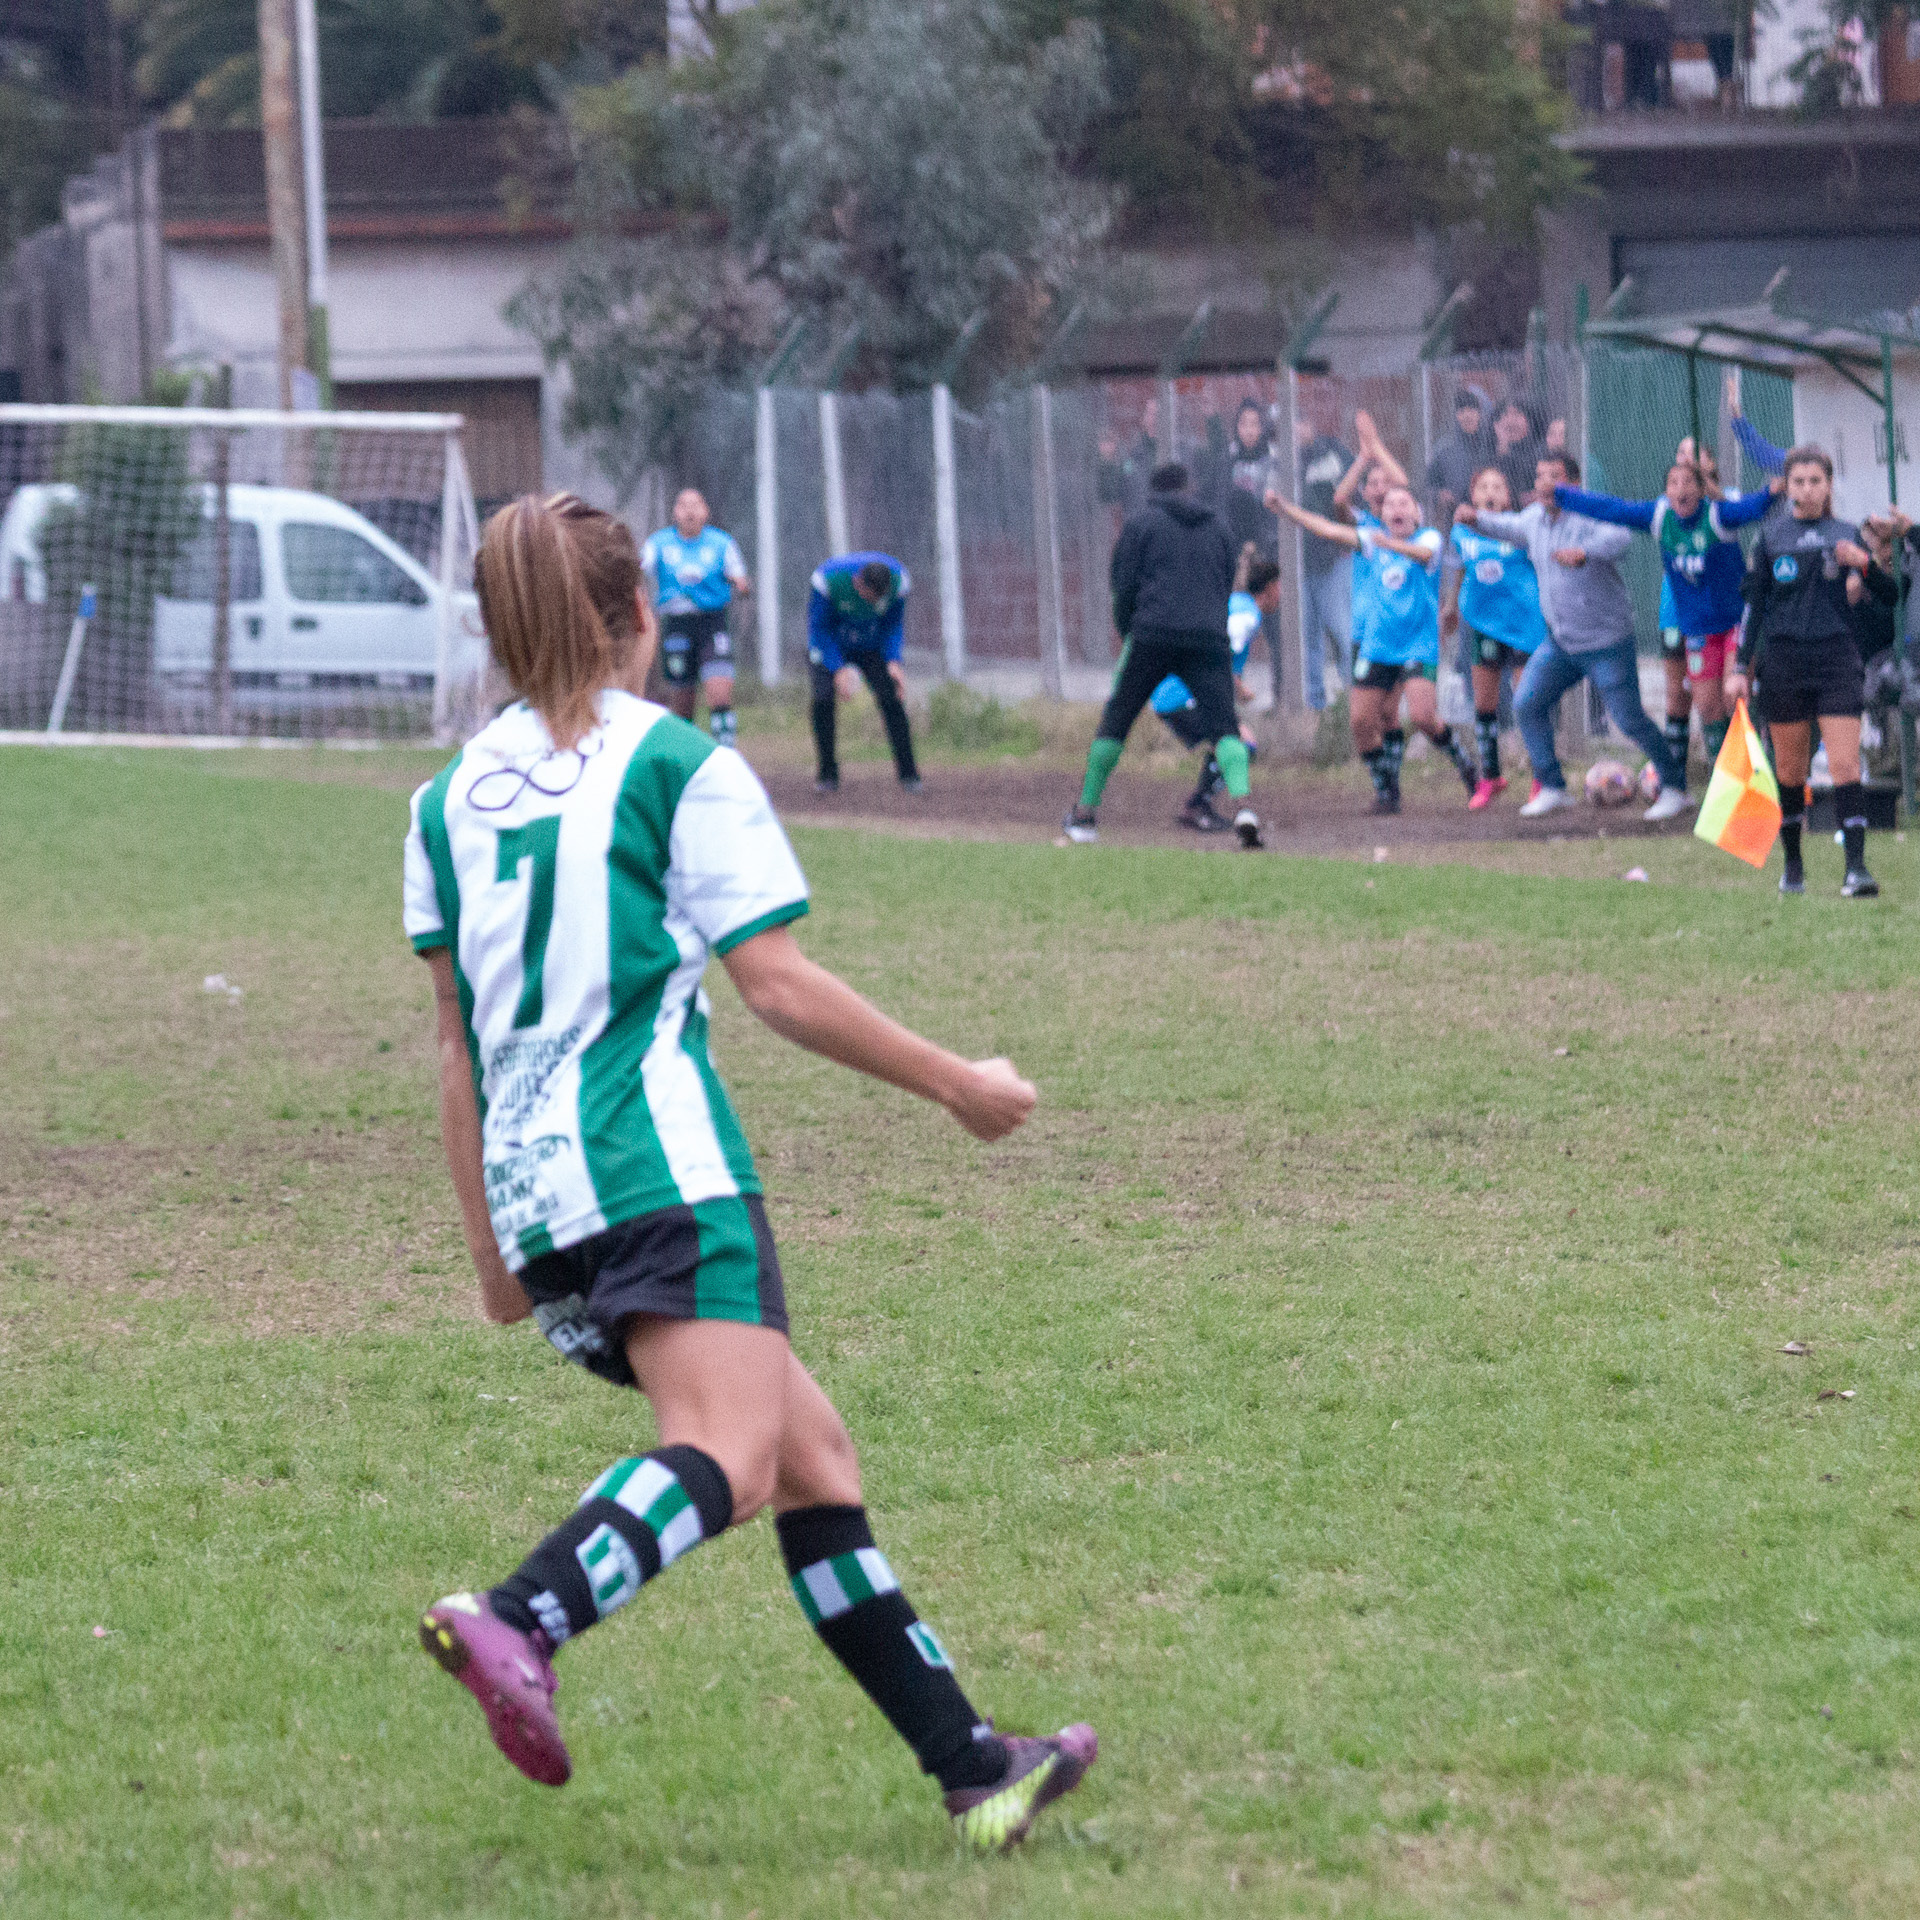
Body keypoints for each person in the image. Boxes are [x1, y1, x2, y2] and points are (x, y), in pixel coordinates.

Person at [406, 492, 1096, 1853]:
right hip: (662, 1168)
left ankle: (975, 1768)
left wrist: (492, 1253)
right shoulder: (676, 763)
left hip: (544, 1191)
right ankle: (521, 1616)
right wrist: (958, 1083)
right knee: (724, 1452)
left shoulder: (443, 805)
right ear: (640, 621)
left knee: (810, 1456)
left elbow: (454, 1044)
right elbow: (772, 982)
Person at [1460, 453, 1691, 822]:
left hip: (1605, 643)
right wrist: (1477, 519)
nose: (1545, 484)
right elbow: (1509, 527)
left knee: (1629, 719)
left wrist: (1585, 552)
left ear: (1574, 484)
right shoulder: (1534, 518)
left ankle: (1675, 788)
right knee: (1526, 704)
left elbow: (1621, 539)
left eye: (1555, 476)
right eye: (1540, 475)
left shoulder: (1590, 513)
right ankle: (1552, 787)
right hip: (1561, 642)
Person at [1063, 462, 1263, 849]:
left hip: (1153, 634)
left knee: (1117, 720)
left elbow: (1122, 587)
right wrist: (1208, 625)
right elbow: (1225, 583)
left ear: (1154, 493)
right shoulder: (1219, 527)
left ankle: (1085, 815)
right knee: (1225, 725)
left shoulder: (1141, 524)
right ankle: (1244, 808)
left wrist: (1129, 632)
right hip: (1207, 637)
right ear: (1190, 490)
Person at [1552, 454, 1782, 786]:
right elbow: (1611, 509)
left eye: (1689, 482)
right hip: (1698, 628)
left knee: (1737, 696)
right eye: (1673, 483)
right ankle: (1728, 785)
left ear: (1702, 489)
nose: (1680, 489)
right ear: (1665, 492)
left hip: (1734, 623)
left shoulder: (1719, 516)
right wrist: (1562, 495)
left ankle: (1761, 779)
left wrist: (1773, 491)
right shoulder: (1660, 518)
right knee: (1707, 706)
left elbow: (1753, 508)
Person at [1726, 446, 1884, 897]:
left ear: (1829, 485)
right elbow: (1754, 608)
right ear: (1787, 487)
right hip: (1784, 664)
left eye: (1816, 480)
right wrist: (1741, 665)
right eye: (1799, 481)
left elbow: (1877, 595)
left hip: (1836, 660)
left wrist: (1863, 570)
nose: (1808, 489)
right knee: (1791, 772)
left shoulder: (1845, 533)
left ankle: (1856, 870)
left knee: (1844, 763)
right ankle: (1793, 864)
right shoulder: (1771, 537)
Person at [1272, 481, 1478, 814]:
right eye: (1390, 504)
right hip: (1378, 646)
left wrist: (1388, 543)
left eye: (1404, 503)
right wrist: (1286, 508)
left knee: (1424, 716)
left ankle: (1466, 766)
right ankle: (1387, 791)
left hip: (1417, 644)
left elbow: (1424, 555)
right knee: (1361, 722)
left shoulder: (1428, 539)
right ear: (1381, 514)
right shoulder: (1373, 542)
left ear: (1416, 513)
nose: (1397, 509)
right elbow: (1327, 529)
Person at [1441, 465, 1545, 809]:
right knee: (1485, 705)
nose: (1490, 492)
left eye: (1498, 487)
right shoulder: (1461, 532)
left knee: (1525, 702)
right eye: (1483, 486)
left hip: (1523, 625)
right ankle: (1491, 777)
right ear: (1472, 497)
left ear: (1508, 497)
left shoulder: (1519, 529)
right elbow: (1457, 567)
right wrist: (1451, 607)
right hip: (1483, 625)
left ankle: (1542, 778)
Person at [1151, 553, 1279, 832]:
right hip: (1182, 695)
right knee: (1242, 745)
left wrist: (1237, 685)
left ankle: (1199, 805)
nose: (1281, 595)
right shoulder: (1247, 616)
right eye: (1280, 587)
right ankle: (1197, 807)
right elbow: (1216, 650)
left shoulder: (1236, 604)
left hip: (1175, 692)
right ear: (1269, 587)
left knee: (1230, 745)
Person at [639, 489, 751, 748]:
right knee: (682, 701)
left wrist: (742, 584)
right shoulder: (659, 543)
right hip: (676, 625)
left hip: (712, 623)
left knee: (720, 692)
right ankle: (684, 757)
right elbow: (637, 567)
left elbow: (740, 576)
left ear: (706, 511)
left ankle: (726, 753)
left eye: (696, 504)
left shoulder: (721, 543)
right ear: (674, 512)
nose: (690, 511)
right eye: (683, 505)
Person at [807, 553, 921, 793]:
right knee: (822, 699)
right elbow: (819, 629)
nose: (873, 605)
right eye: (870, 597)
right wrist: (837, 669)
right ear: (858, 583)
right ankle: (828, 774)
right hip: (832, 644)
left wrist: (893, 660)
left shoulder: (898, 584)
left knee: (892, 698)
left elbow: (893, 625)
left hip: (871, 645)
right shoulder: (829, 580)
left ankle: (909, 774)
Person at [1293, 412, 1357, 711]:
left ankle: (1355, 700)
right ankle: (1314, 704)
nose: (1297, 428)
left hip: (1334, 559)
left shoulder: (1333, 454)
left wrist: (1348, 537)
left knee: (1345, 634)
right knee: (1308, 640)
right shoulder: (1280, 462)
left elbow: (1356, 494)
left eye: (1302, 420)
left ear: (1311, 423)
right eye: (1291, 423)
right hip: (1297, 565)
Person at [1425, 388, 1493, 529]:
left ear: (1480, 413)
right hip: (1455, 520)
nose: (1467, 415)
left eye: (1472, 410)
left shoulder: (1492, 445)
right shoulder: (1444, 449)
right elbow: (1428, 485)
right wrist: (1440, 495)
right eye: (1462, 411)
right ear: (1456, 415)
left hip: (1491, 517)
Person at [1490, 398, 1545, 506]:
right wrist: (1502, 448)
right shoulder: (1490, 453)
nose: (1511, 420)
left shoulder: (1540, 452)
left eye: (1516, 414)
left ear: (1528, 421)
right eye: (1505, 414)